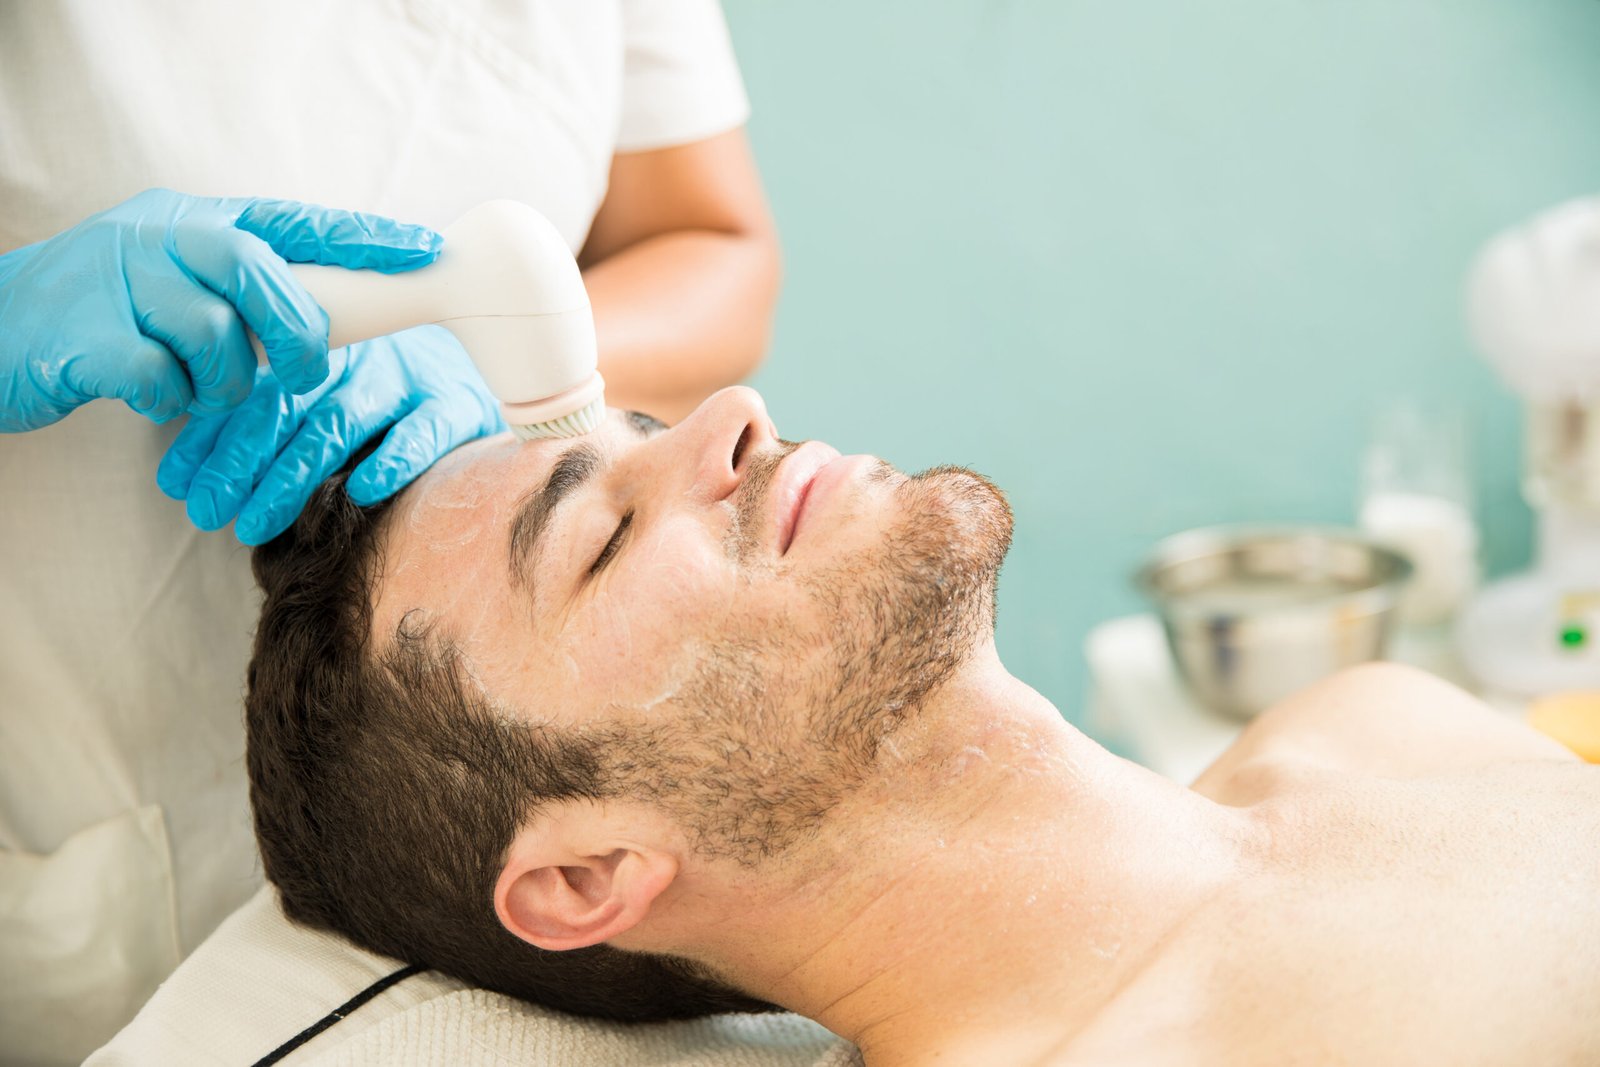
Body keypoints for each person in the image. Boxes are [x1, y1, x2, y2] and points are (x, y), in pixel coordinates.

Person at [244, 385, 1600, 1066]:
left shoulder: (1381, 722)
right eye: (600, 534)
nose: (732, 413)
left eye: (647, 424)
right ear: (589, 871)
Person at [0, 3, 778, 1060]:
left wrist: (502, 356)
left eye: (604, 526)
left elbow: (711, 240)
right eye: (593, 538)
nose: (747, 429)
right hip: (65, 774)